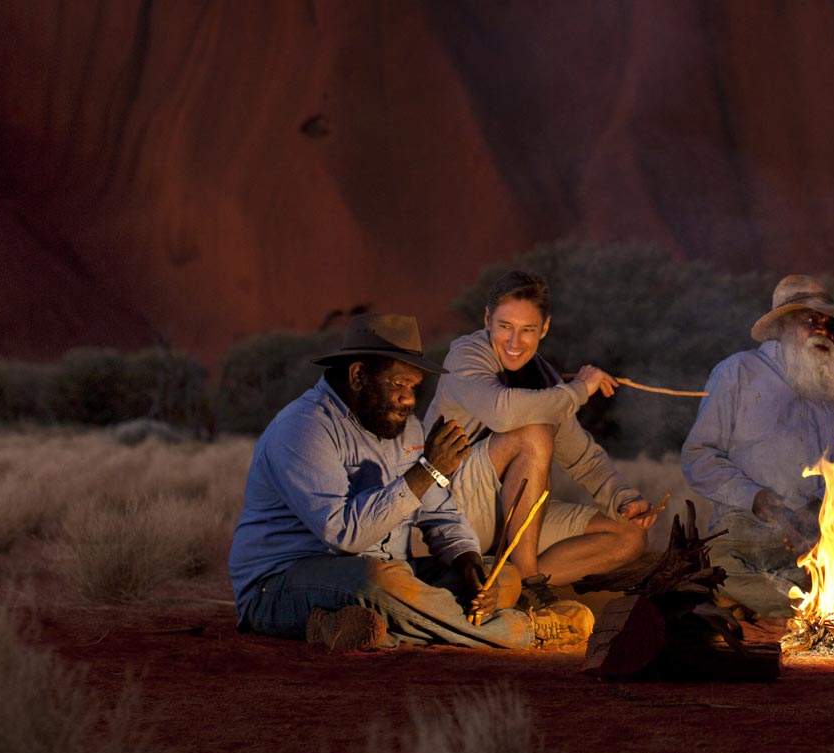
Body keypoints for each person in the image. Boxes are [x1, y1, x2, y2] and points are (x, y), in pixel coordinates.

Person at [228, 313, 534, 651]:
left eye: (414, 387)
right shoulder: (303, 428)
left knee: (502, 578)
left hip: (393, 573)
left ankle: (363, 628)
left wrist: (467, 559)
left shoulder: (407, 427)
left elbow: (439, 513)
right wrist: (428, 470)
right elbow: (345, 535)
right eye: (398, 384)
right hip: (280, 586)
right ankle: (520, 632)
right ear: (358, 376)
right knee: (377, 584)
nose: (409, 399)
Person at [423, 270, 656, 632]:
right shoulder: (465, 355)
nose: (514, 341)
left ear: (544, 328)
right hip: (450, 508)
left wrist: (621, 495)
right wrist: (579, 390)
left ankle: (508, 585)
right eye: (505, 326)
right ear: (487, 320)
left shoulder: (542, 377)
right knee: (533, 431)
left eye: (528, 329)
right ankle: (531, 585)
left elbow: (580, 455)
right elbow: (503, 410)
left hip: (508, 519)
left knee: (628, 537)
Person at [681, 275, 834, 618]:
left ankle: (784, 597)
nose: (824, 331)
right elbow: (699, 456)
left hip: (822, 527)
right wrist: (759, 500)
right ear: (782, 325)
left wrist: (832, 505)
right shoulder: (737, 372)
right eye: (811, 320)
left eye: (830, 324)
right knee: (716, 563)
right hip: (752, 527)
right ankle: (817, 602)